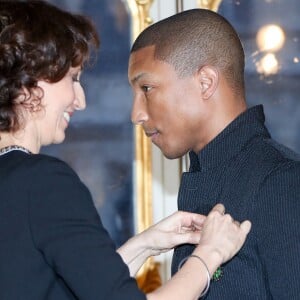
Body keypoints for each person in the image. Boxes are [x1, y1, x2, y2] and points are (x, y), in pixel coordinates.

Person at [0, 1, 251, 300]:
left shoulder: (14, 182)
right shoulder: (42, 182)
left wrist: (147, 243)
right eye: (73, 79)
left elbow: (68, 285)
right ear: (30, 83)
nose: (80, 100)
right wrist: (209, 255)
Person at [128, 7, 300, 299]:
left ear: (206, 82)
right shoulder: (204, 177)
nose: (137, 114)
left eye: (147, 88)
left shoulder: (281, 181)